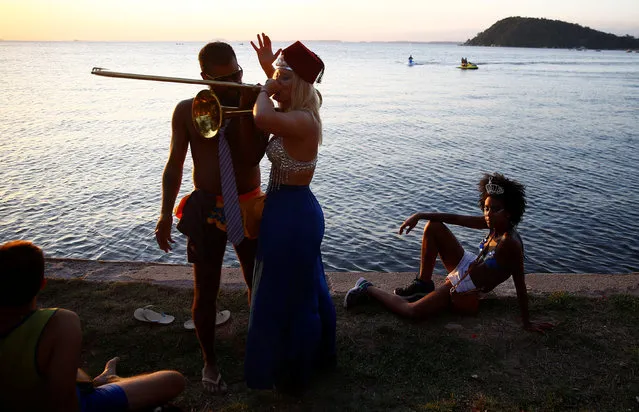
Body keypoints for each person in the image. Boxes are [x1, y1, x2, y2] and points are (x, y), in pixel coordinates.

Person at [154, 41, 268, 393]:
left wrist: (250, 105)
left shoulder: (254, 105)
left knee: (258, 282)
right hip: (207, 208)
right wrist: (162, 214)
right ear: (204, 77)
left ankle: (260, 349)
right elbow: (174, 166)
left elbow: (251, 158)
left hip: (248, 205)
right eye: (221, 79)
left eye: (235, 74)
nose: (231, 81)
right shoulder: (186, 110)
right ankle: (210, 362)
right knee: (205, 289)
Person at [344, 173, 553, 333]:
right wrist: (421, 215)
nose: (488, 214)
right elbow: (457, 218)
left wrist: (527, 322)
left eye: (495, 209)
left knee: (412, 311)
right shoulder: (493, 225)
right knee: (433, 226)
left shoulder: (510, 243)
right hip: (469, 267)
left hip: (466, 285)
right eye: (486, 208)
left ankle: (367, 288)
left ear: (509, 212)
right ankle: (423, 284)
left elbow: (520, 282)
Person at [245, 33, 336, 394]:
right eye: (277, 75)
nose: (277, 81)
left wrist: (264, 87)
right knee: (301, 286)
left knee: (287, 294)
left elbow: (260, 117)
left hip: (292, 214)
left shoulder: (302, 120)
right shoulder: (297, 109)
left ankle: (293, 371)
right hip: (287, 209)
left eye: (285, 77)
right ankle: (306, 360)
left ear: (298, 85)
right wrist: (271, 66)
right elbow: (283, 87)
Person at [0, 240, 185, 411]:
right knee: (173, 380)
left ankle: (102, 381)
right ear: (43, 284)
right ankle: (110, 381)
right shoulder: (58, 322)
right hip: (76, 404)